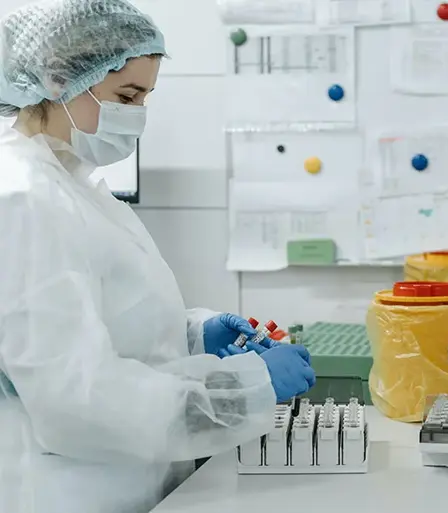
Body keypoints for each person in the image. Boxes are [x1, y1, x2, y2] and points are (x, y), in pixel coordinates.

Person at [0, 1, 316, 512]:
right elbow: (73, 399)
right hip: (67, 492)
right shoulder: (23, 198)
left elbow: (95, 319)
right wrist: (247, 389)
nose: (137, 115)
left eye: (145, 98)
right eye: (126, 96)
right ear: (57, 80)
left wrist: (192, 334)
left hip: (122, 483)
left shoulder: (76, 186)